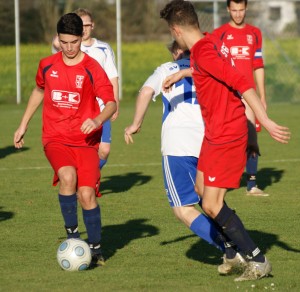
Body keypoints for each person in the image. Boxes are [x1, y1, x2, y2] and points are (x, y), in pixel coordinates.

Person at [160, 0, 290, 281]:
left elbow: (242, 83)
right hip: (214, 132)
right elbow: (208, 70)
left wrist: (263, 120)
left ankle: (257, 260)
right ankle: (232, 249)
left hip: (227, 132)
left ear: (176, 30)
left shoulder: (204, 50)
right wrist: (183, 72)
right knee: (200, 187)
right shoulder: (207, 45)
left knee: (210, 204)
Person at [14, 13, 117, 267]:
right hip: (55, 137)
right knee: (68, 177)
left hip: (86, 141)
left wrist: (97, 120)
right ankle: (72, 238)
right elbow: (39, 90)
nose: (69, 48)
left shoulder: (92, 68)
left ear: (82, 37)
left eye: (73, 42)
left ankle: (95, 248)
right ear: (58, 40)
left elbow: (112, 104)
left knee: (86, 195)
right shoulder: (47, 64)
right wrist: (23, 124)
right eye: (64, 42)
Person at [124, 40, 231, 256]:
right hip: (208, 139)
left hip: (178, 143)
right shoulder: (207, 70)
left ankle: (228, 247)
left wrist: (136, 124)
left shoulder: (166, 69)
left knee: (183, 209)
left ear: (175, 52)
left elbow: (145, 92)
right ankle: (240, 240)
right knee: (212, 201)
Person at [53, 8, 119, 177]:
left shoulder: (104, 48)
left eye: (87, 24)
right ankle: (83, 180)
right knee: (79, 150)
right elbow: (56, 41)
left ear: (93, 25)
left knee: (104, 150)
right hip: (77, 109)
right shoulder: (71, 46)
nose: (84, 28)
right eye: (80, 25)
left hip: (102, 107)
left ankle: (87, 177)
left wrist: (115, 103)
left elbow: (112, 77)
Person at [213, 0, 268, 196]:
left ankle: (251, 184)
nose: (237, 14)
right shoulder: (219, 34)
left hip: (248, 94)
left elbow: (258, 65)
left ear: (246, 9)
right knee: (224, 138)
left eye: (241, 10)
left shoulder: (254, 33)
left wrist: (261, 96)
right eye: (234, 10)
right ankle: (220, 180)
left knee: (252, 137)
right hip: (227, 94)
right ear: (228, 9)